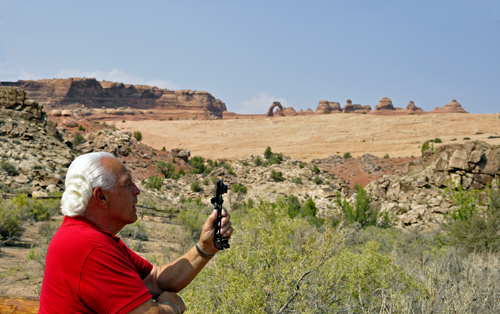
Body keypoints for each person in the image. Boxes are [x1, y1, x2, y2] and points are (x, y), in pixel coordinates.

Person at [39, 152, 233, 314]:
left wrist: (205, 248)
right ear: (102, 196)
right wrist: (173, 307)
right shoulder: (90, 247)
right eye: (127, 184)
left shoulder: (87, 236)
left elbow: (155, 278)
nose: (137, 190)